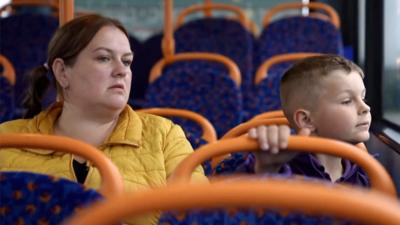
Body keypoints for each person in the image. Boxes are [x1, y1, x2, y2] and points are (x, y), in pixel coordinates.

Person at [0, 14, 205, 225]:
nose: (121, 71)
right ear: (62, 72)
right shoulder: (7, 141)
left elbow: (200, 216)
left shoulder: (165, 137)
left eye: (127, 61)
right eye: (104, 58)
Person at [220, 55, 371, 186]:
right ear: (306, 120)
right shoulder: (277, 164)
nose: (365, 108)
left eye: (363, 98)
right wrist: (266, 169)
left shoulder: (365, 171)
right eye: (346, 101)